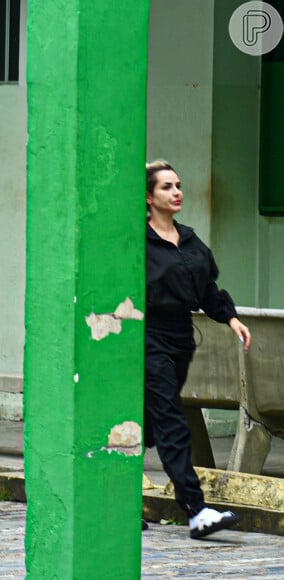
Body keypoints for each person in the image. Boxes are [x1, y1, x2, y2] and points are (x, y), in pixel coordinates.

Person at [144, 160, 252, 539]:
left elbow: (208, 290)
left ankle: (115, 500)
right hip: (146, 337)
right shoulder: (136, 241)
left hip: (179, 340)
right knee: (172, 421)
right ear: (148, 196)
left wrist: (231, 318)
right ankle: (196, 509)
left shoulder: (188, 239)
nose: (177, 192)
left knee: (147, 426)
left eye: (178, 185)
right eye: (166, 187)